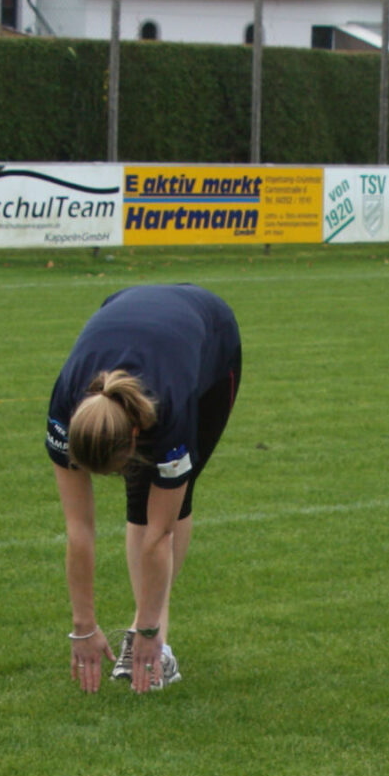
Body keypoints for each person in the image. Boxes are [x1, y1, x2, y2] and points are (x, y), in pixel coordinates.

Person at [45, 285, 242, 695]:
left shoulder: (169, 410)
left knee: (159, 502)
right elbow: (79, 530)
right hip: (125, 305)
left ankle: (154, 646)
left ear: (135, 434)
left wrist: (149, 629)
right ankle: (142, 640)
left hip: (211, 334)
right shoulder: (66, 406)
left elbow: (160, 534)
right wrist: (82, 627)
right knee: (141, 495)